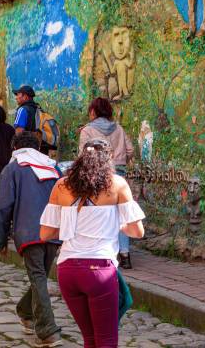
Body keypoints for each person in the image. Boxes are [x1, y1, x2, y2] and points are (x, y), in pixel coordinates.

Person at [39, 139, 145, 348]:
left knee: (90, 339)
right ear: (109, 158)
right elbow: (137, 231)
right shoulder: (117, 184)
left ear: (80, 157)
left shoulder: (62, 185)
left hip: (68, 270)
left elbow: (45, 234)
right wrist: (117, 225)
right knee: (106, 341)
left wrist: (72, 227)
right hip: (100, 271)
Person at [0, 132, 62, 348]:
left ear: (14, 147)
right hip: (54, 232)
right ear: (38, 146)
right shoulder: (53, 168)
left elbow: (3, 208)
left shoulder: (12, 169)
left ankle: (47, 330)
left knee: (38, 278)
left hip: (29, 232)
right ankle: (26, 312)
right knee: (39, 277)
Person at [78, 98, 135, 268]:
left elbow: (83, 155)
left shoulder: (87, 130)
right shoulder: (119, 128)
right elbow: (130, 150)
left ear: (93, 112)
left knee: (100, 213)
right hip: (119, 174)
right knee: (122, 212)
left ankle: (103, 253)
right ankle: (125, 255)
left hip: (97, 175)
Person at [13, 85, 49, 155]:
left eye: (18, 95)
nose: (16, 97)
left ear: (25, 97)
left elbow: (19, 132)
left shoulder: (22, 110)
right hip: (39, 149)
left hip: (26, 149)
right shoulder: (39, 109)